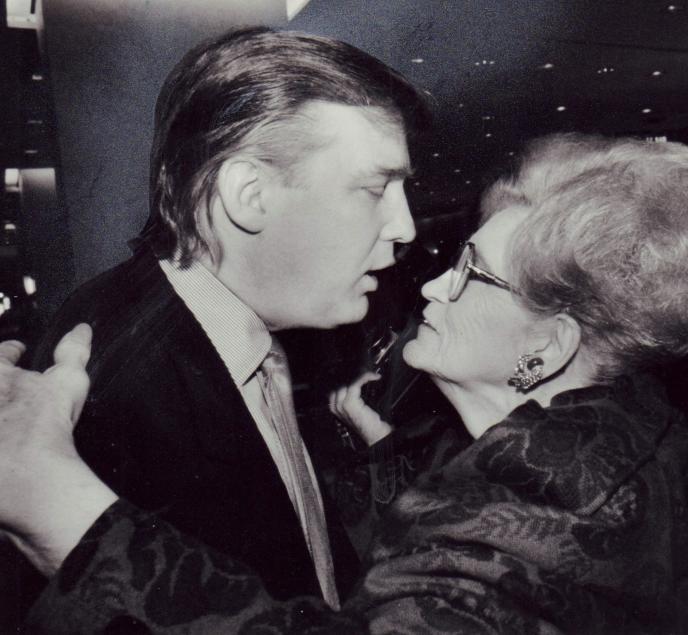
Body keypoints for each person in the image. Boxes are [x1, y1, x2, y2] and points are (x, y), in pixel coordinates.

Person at [1, 133, 688, 633]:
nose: (432, 286)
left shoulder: (563, 501)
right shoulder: (606, 423)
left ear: (546, 347)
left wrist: (59, 503)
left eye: (472, 274)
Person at [26, 26, 427, 606]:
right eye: (374, 189)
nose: (405, 228)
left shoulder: (237, 331)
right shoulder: (124, 385)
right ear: (248, 193)